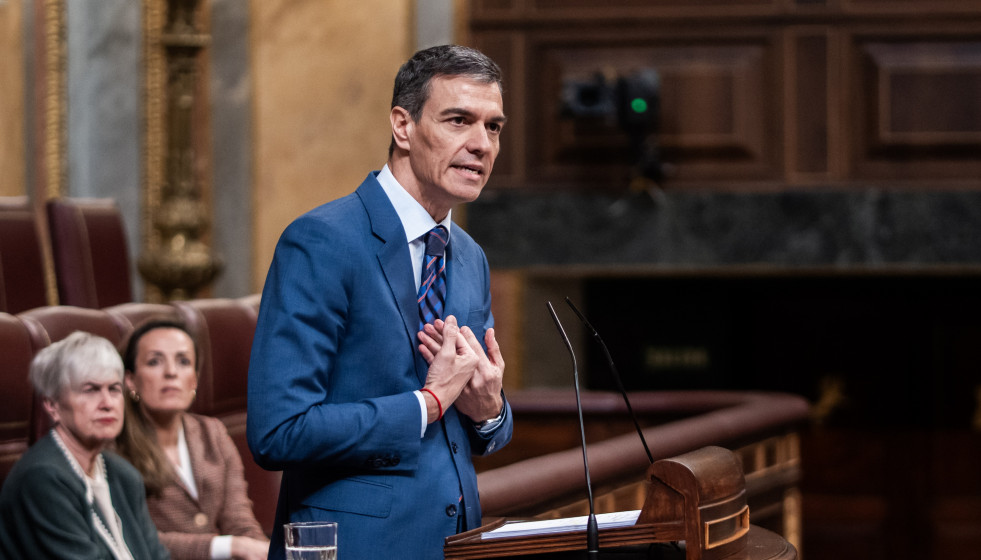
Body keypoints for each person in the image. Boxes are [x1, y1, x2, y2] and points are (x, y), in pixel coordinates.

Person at [247, 44, 514, 559]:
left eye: (493, 127)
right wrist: (427, 404)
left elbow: (478, 431)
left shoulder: (468, 256)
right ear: (403, 126)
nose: (481, 144)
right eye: (459, 120)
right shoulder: (322, 241)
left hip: (455, 544)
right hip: (354, 545)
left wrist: (489, 413)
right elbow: (277, 431)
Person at [0, 331, 170, 560]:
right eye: (90, 390)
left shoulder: (123, 474)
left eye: (114, 389)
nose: (107, 403)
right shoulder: (42, 478)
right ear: (52, 405)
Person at [115, 319, 270, 560]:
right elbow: (133, 537)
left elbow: (240, 522)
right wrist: (228, 547)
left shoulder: (213, 432)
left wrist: (260, 549)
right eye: (155, 361)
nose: (171, 372)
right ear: (131, 380)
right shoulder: (114, 445)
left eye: (183, 361)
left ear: (195, 380)